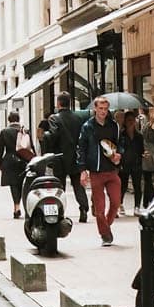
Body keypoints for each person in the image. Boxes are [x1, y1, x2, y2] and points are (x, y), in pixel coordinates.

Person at [77, 95, 124, 246]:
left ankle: (106, 227)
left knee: (116, 202)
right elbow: (81, 149)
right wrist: (83, 170)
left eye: (105, 109)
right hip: (96, 172)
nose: (103, 111)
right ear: (95, 109)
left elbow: (120, 143)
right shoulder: (87, 127)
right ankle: (105, 235)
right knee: (100, 207)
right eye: (100, 108)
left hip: (112, 170)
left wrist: (119, 154)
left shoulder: (114, 126)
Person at [40, 94, 89, 223]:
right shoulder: (78, 117)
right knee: (78, 186)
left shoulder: (54, 118)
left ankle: (60, 211)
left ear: (58, 103)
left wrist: (44, 135)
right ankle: (83, 208)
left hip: (60, 157)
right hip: (75, 157)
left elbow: (53, 135)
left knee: (60, 187)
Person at [0, 109, 28, 220]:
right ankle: (27, 208)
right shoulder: (24, 131)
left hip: (10, 161)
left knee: (14, 185)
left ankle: (16, 208)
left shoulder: (4, 132)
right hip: (24, 160)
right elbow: (30, 146)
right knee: (23, 184)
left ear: (9, 120)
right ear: (18, 119)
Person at [120, 109, 145, 214]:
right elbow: (119, 148)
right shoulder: (121, 135)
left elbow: (142, 149)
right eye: (128, 120)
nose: (131, 122)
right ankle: (120, 204)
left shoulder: (139, 136)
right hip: (124, 163)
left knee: (137, 186)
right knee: (123, 186)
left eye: (132, 120)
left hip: (136, 163)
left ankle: (137, 207)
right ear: (125, 122)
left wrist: (144, 154)